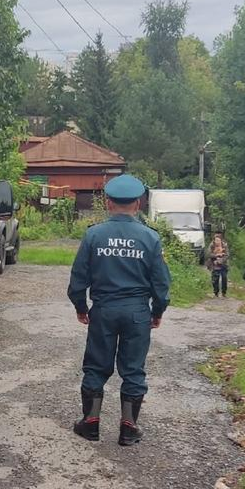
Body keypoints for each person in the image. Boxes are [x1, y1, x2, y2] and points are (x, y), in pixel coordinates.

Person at [67, 174, 172, 447]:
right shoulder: (150, 238)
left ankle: (90, 424)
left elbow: (78, 278)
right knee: (133, 369)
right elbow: (160, 282)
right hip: (137, 313)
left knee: (96, 366)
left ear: (109, 203)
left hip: (103, 310)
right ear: (137, 204)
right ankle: (129, 428)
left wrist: (81, 306)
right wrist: (157, 311)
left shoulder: (94, 235)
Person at [208, 231, 229, 298]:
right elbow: (209, 254)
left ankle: (223, 293)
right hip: (214, 264)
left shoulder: (224, 245)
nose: (217, 241)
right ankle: (216, 292)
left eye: (218, 239)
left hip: (223, 265)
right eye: (215, 239)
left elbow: (227, 255)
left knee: (224, 278)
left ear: (220, 240)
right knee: (215, 279)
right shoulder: (212, 245)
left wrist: (220, 261)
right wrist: (216, 255)